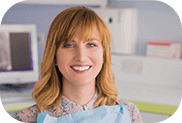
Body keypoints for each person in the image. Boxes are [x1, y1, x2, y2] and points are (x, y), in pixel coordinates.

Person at [13, 6, 143, 123]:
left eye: (91, 44)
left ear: (104, 55)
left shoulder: (128, 113)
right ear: (54, 56)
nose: (81, 57)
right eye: (69, 45)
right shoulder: (26, 119)